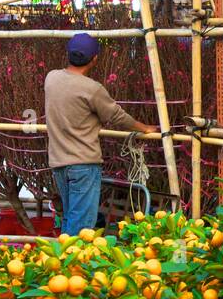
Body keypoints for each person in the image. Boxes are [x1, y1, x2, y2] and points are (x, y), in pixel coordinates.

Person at [44, 33, 155, 237]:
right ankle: (72, 266)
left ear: (68, 54)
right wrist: (144, 128)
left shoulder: (51, 78)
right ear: (95, 59)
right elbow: (116, 116)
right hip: (83, 164)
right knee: (81, 227)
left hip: (59, 163)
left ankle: (63, 263)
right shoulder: (92, 89)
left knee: (69, 217)